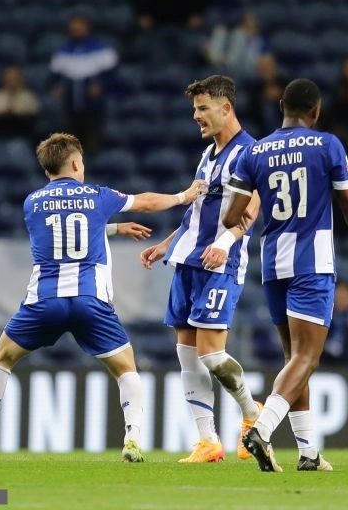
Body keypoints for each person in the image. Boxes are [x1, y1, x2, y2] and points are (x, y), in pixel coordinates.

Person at [0, 132, 206, 462]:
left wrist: (113, 229)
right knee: (126, 368)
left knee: (2, 359)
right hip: (91, 301)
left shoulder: (32, 202)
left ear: (47, 172)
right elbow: (144, 202)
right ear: (75, 163)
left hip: (44, 302)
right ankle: (133, 440)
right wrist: (183, 196)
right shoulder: (97, 196)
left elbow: (65, 229)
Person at [224, 78, 348, 472]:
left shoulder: (255, 151)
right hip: (311, 263)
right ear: (315, 111)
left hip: (273, 263)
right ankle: (261, 429)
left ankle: (309, 453)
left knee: (294, 359)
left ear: (281, 105)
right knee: (308, 358)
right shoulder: (327, 144)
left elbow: (231, 215)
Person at [138, 75, 265, 464]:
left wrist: (225, 245)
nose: (196, 116)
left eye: (203, 108)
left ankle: (252, 414)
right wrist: (166, 244)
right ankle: (207, 440)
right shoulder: (209, 154)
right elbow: (197, 212)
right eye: (195, 108)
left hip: (219, 265)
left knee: (212, 355)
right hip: (188, 261)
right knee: (187, 356)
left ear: (226, 108)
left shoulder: (249, 152)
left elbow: (253, 205)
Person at [50, 14, 118, 152]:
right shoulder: (63, 52)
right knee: (71, 147)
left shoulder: (102, 50)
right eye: (73, 28)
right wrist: (57, 87)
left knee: (93, 143)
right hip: (69, 108)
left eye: (79, 27)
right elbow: (53, 78)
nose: (76, 31)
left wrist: (101, 86)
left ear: (87, 27)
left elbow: (113, 76)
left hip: (94, 108)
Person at [0, 66, 41, 141]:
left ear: (20, 80)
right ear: (4, 80)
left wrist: (14, 113)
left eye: (14, 79)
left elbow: (32, 116)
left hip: (21, 137)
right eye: (9, 79)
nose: (11, 81)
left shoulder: (29, 97)